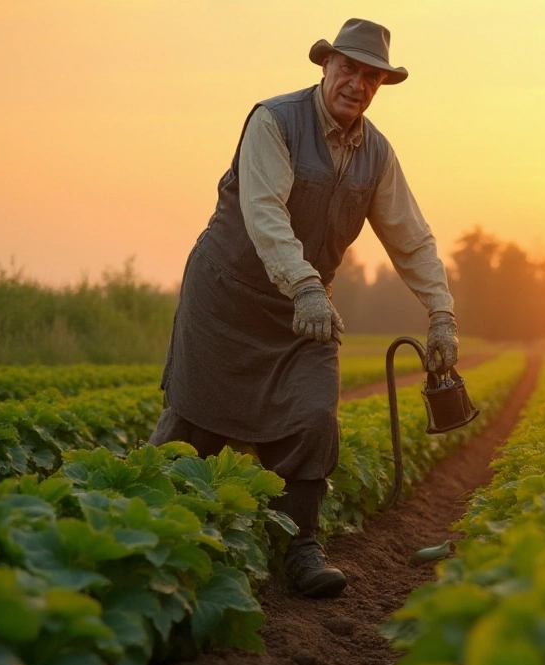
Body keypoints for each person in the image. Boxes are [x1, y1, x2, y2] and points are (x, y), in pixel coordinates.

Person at [151, 18, 458, 599]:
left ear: (380, 86)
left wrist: (441, 312)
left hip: (305, 310)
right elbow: (264, 212)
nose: (358, 83)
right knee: (194, 426)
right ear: (326, 66)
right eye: (350, 69)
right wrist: (305, 286)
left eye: (372, 76)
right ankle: (147, 531)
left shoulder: (378, 155)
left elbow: (411, 238)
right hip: (229, 297)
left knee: (315, 415)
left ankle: (300, 548)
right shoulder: (274, 120)